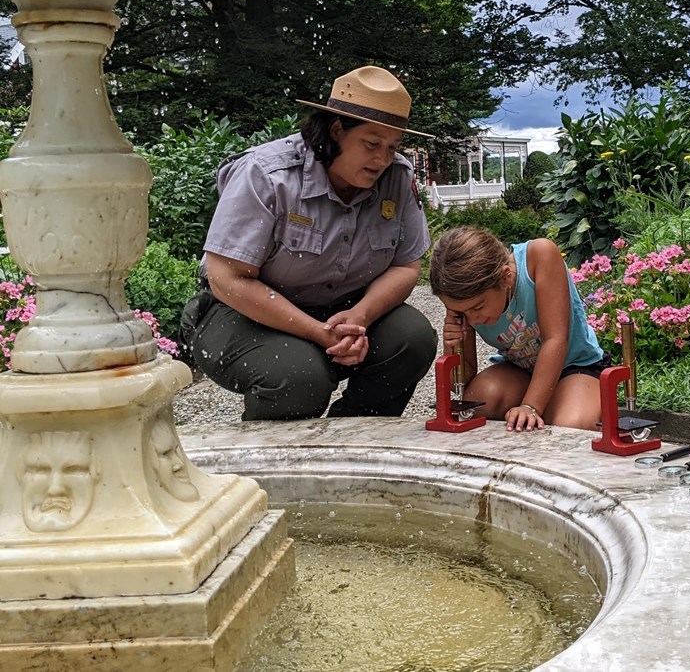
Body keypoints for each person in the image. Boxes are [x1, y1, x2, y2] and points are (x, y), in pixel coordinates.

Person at [180, 66, 438, 421]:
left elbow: (406, 266)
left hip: (342, 309)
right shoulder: (266, 175)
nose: (382, 160)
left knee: (413, 339)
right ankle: (273, 467)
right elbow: (227, 278)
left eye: (392, 147)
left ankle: (351, 438)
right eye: (371, 143)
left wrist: (360, 317)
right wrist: (320, 334)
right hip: (241, 312)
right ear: (336, 130)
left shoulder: (398, 178)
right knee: (299, 375)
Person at [427, 226, 609, 431]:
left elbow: (555, 339)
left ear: (506, 277)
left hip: (575, 366)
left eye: (478, 307)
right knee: (477, 402)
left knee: (571, 427)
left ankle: (562, 404)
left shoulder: (539, 258)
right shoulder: (463, 300)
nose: (473, 319)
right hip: (520, 370)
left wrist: (530, 406)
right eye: (462, 312)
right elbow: (461, 382)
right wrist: (452, 345)